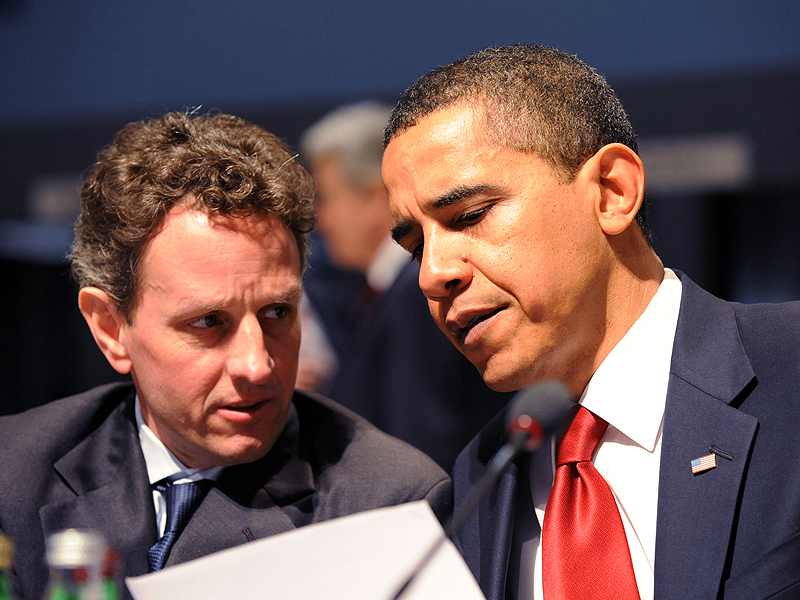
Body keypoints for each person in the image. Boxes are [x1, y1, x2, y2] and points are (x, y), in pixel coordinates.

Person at [381, 45, 800, 600]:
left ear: (612, 192)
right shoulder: (479, 480)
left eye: (470, 216)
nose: (433, 274)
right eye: (415, 248)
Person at [0, 112, 451, 600]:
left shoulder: (389, 505)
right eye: (208, 322)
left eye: (277, 312)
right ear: (110, 329)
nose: (257, 365)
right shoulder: (12, 475)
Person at [299, 101, 513, 470]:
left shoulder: (420, 295)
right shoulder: (383, 295)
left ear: (372, 196)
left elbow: (424, 446)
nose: (321, 221)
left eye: (326, 199)